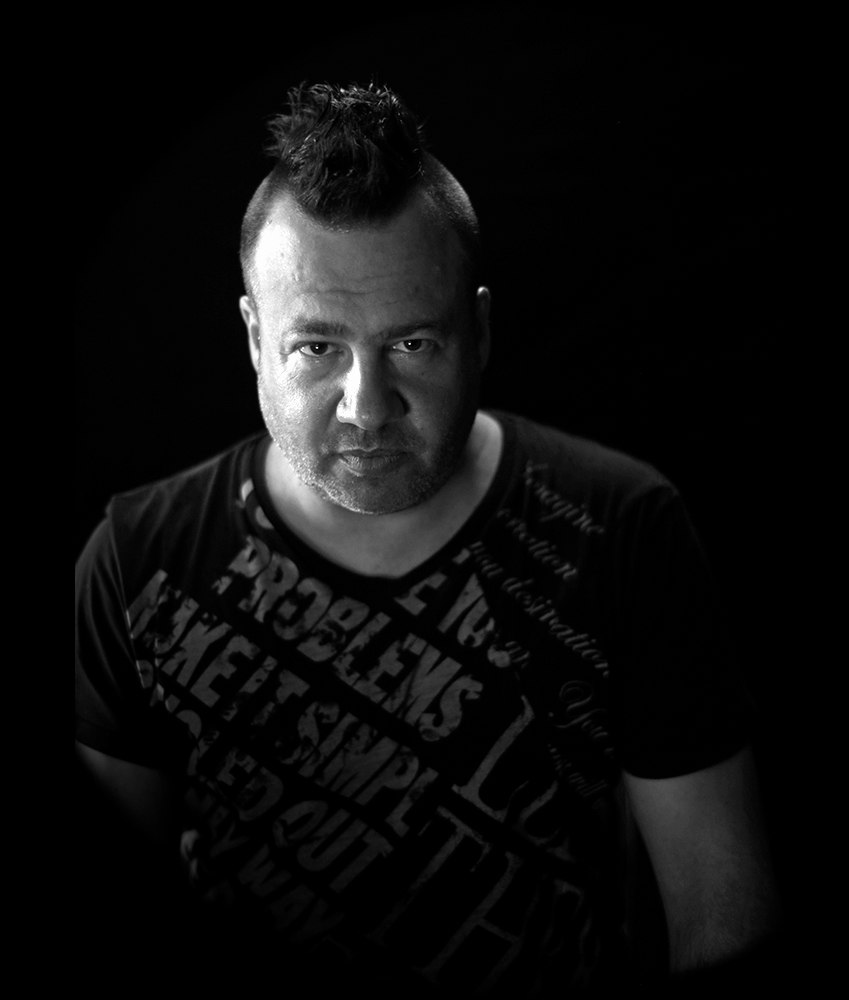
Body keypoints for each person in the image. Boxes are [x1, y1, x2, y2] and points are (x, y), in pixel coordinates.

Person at [75, 82, 781, 996]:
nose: (366, 408)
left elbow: (722, 907)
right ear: (253, 337)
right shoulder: (137, 562)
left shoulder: (623, 527)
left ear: (477, 331)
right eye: (316, 348)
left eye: (411, 344)